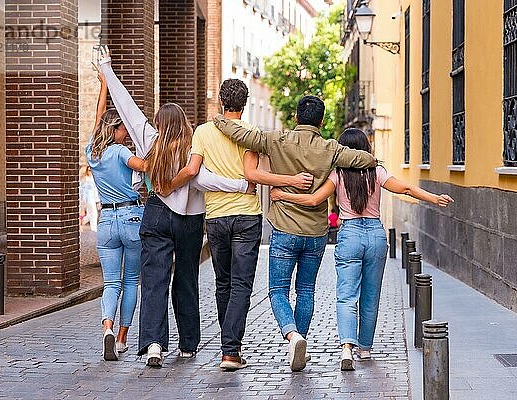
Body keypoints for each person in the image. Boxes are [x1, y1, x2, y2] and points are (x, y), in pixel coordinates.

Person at [97, 51, 263, 368]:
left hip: (157, 214)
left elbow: (127, 108)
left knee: (154, 280)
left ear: (159, 123)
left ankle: (154, 345)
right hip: (190, 222)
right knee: (186, 279)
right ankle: (188, 344)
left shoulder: (150, 140)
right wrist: (242, 186)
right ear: (184, 123)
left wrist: (107, 68)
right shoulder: (193, 146)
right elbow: (205, 179)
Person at [213, 95, 378, 372]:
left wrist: (219, 118)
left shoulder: (277, 139)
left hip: (284, 228)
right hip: (315, 232)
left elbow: (238, 132)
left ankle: (293, 336)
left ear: (297, 118)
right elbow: (365, 159)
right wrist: (370, 158)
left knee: (278, 290)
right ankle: (300, 341)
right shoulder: (331, 149)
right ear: (322, 122)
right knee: (305, 291)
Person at [270, 128, 454, 371]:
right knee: (370, 296)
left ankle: (346, 347)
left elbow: (314, 200)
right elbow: (406, 189)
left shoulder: (338, 174)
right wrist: (434, 198)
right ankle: (365, 349)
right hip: (376, 236)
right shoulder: (377, 172)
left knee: (346, 296)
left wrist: (282, 195)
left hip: (350, 235)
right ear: (366, 148)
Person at [164, 79, 314, 371]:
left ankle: (230, 347)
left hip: (216, 216)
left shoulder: (203, 132)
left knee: (224, 283)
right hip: (247, 215)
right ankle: (230, 351)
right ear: (244, 104)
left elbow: (193, 170)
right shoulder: (250, 133)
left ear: (221, 101)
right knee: (241, 285)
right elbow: (254, 174)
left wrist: (168, 185)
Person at [85, 68, 147, 362]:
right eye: (123, 128)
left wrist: (103, 86)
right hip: (131, 217)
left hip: (106, 221)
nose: (126, 132)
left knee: (111, 283)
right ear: (115, 131)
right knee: (131, 280)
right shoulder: (121, 152)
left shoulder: (92, 153)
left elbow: (98, 120)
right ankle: (122, 338)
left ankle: (107, 328)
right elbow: (143, 167)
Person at [80, 166, 100, 232]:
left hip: (93, 198)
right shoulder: (86, 179)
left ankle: (81, 221)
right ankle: (94, 228)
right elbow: (82, 190)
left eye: (91, 170)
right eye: (88, 170)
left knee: (90, 214)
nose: (90, 172)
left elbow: (96, 190)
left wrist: (97, 200)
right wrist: (82, 200)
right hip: (88, 198)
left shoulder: (94, 178)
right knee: (94, 213)